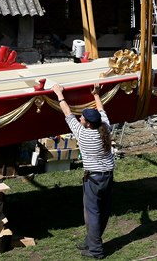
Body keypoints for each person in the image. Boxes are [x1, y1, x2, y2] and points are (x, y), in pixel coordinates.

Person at [52, 83, 113, 259]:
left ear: (87, 123)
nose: (80, 119)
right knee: (103, 211)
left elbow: (67, 113)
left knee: (92, 213)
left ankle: (96, 250)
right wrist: (96, 94)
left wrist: (59, 94)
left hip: (93, 179)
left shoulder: (82, 134)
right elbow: (101, 111)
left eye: (82, 118)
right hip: (107, 176)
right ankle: (91, 242)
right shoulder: (106, 129)